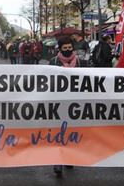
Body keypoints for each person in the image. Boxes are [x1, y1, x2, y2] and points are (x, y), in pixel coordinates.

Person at [50, 36, 85, 175]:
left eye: (70, 48)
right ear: (60, 49)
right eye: (65, 48)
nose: (68, 50)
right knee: (59, 133)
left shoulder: (81, 62)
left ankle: (69, 158)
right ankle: (58, 161)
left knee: (72, 133)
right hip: (58, 103)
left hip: (75, 103)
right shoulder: (53, 62)